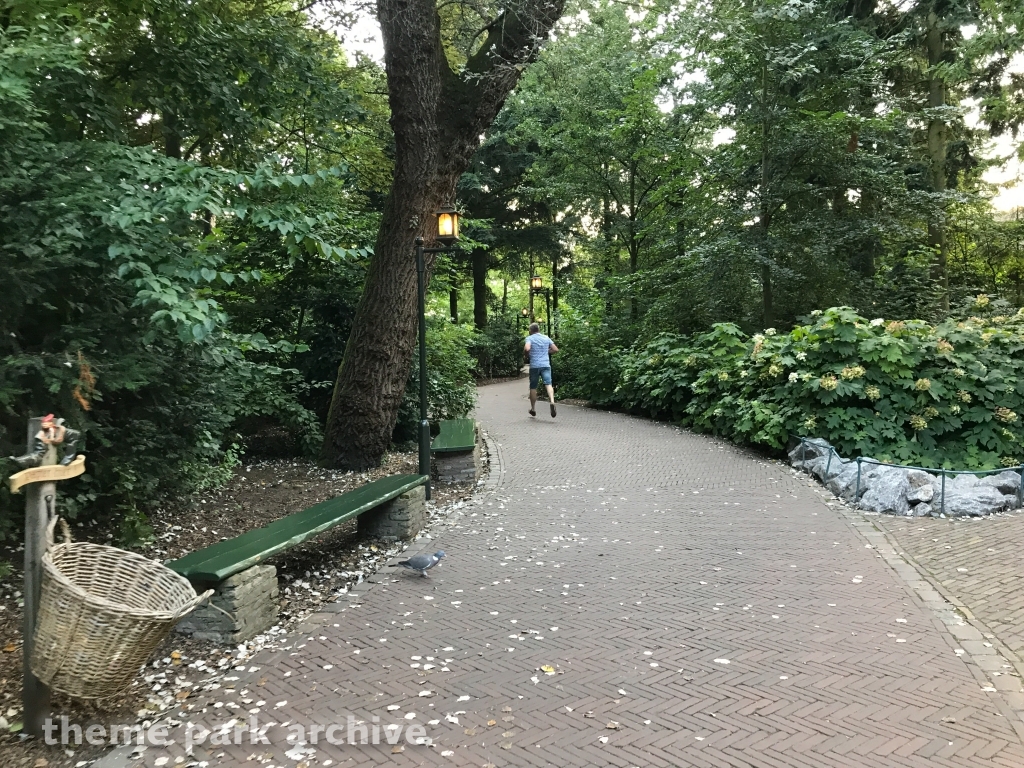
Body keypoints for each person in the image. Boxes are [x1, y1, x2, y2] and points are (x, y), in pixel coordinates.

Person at [524, 323, 559, 418]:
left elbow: (527, 348)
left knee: (533, 387)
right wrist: (547, 352)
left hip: (535, 366)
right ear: (538, 329)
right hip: (545, 365)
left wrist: (526, 355)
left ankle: (533, 409)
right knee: (548, 384)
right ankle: (552, 401)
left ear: (531, 331)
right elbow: (555, 349)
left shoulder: (530, 338)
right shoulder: (546, 338)